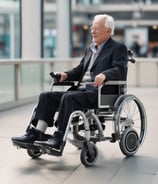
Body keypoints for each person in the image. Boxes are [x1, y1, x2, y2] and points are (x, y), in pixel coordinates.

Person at [11, 14, 128, 151]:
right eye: (92, 28)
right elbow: (80, 70)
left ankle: (58, 139)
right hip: (80, 91)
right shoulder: (91, 49)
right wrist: (65, 75)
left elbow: (119, 69)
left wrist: (105, 74)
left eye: (96, 28)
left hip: (99, 92)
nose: (92, 31)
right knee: (46, 96)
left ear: (108, 31)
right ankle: (36, 133)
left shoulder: (118, 48)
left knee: (68, 97)